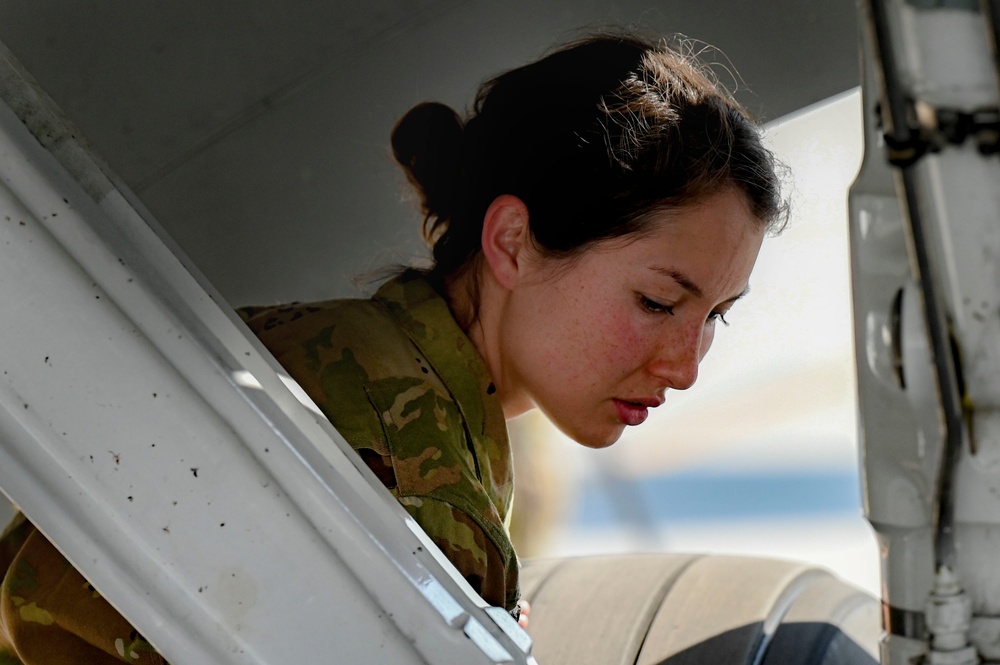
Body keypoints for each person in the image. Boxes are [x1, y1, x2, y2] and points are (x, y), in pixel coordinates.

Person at [0, 31, 785, 663]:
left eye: (718, 315)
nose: (684, 366)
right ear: (511, 242)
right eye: (657, 301)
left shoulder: (317, 343)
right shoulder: (420, 493)